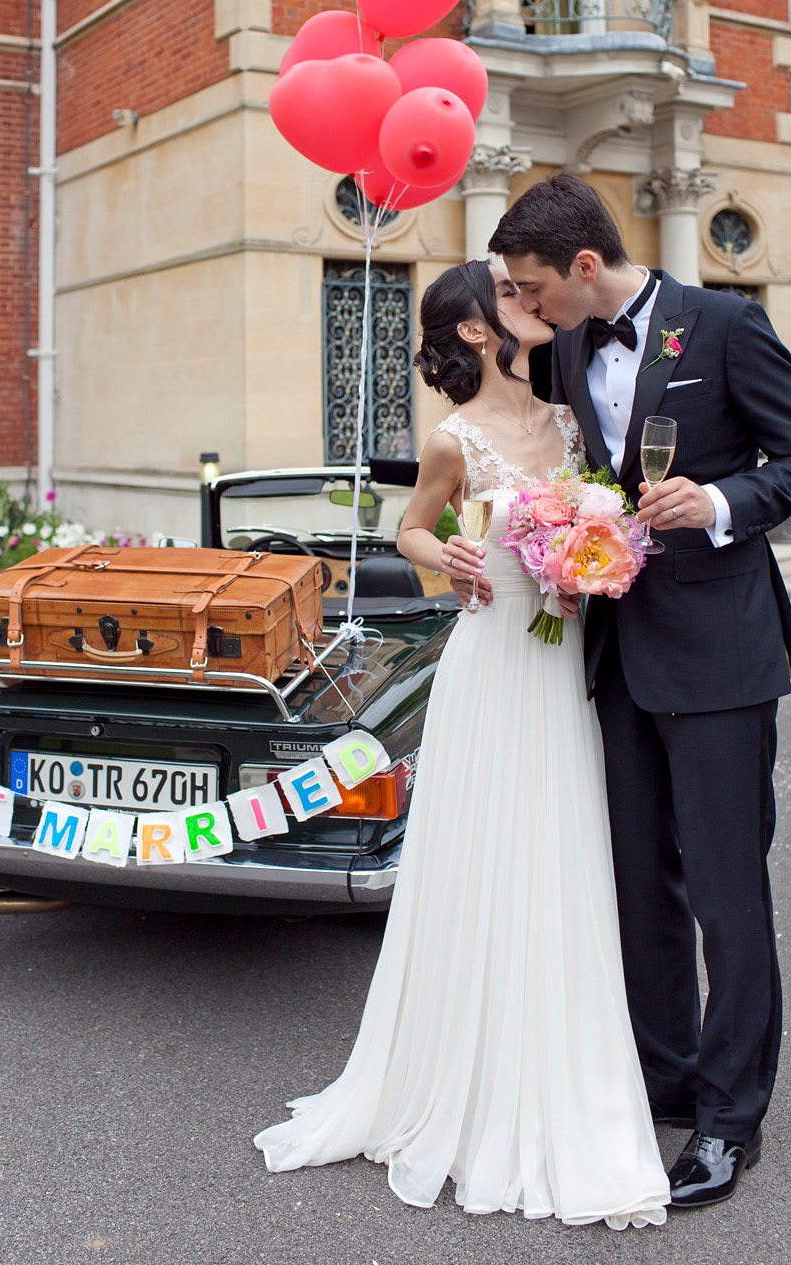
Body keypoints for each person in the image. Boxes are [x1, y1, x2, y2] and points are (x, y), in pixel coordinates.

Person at [255, 260, 670, 1230]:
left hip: (558, 660)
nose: (527, 297)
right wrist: (445, 553)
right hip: (490, 666)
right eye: (508, 293)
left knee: (560, 860)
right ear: (479, 332)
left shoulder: (570, 420)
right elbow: (407, 527)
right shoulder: (453, 438)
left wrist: (590, 568)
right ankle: (465, 1078)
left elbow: (591, 527)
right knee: (488, 859)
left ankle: (559, 1064)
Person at [484, 173, 791, 1209]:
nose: (533, 307)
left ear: (586, 267)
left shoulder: (727, 324)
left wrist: (720, 499)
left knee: (728, 894)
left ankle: (732, 1121)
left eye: (538, 286)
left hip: (723, 656)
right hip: (620, 653)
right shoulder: (580, 342)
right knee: (641, 886)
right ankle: (665, 1079)